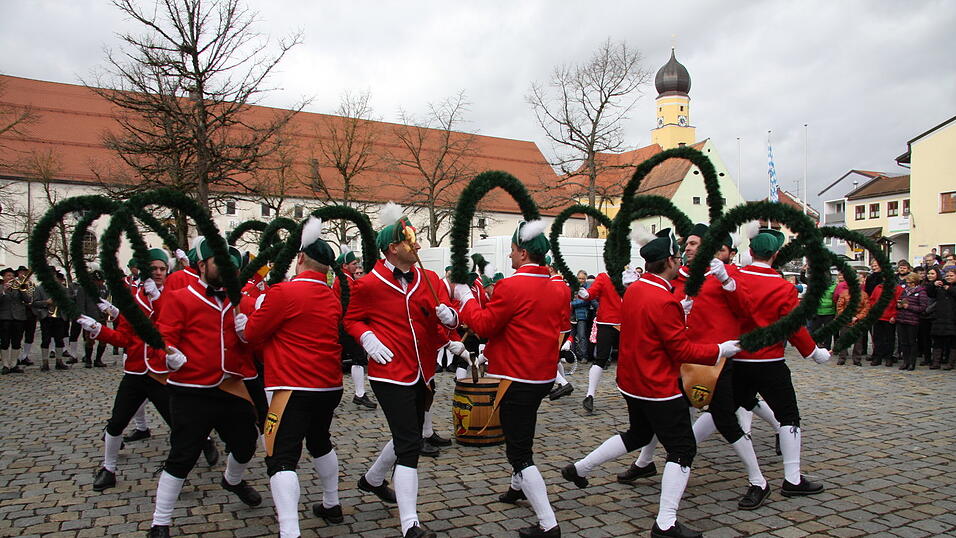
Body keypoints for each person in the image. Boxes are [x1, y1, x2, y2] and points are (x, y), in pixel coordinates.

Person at [561, 229, 741, 538]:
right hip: (657, 385)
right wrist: (719, 350)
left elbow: (649, 326)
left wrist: (678, 311)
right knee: (683, 449)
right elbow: (681, 350)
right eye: (678, 258)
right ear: (670, 262)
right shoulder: (663, 297)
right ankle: (665, 522)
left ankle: (581, 467)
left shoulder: (636, 289)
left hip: (631, 381)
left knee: (638, 434)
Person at [344, 204, 458, 538]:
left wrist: (449, 319)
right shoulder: (367, 284)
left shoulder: (429, 278)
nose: (418, 246)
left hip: (423, 370)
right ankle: (411, 524)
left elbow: (435, 317)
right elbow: (351, 319)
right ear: (394, 247)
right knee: (409, 444)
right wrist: (367, 337)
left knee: (404, 432)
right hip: (389, 372)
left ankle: (372, 480)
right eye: (412, 240)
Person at [454, 220, 568, 538]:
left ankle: (548, 523)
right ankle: (517, 487)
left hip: (515, 377)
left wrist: (466, 299)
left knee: (518, 451)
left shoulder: (512, 286)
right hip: (541, 376)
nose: (510, 257)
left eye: (514, 251)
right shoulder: (559, 286)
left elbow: (485, 325)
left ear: (523, 251)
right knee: (523, 433)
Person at [235, 218, 345, 538]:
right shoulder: (331, 296)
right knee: (320, 441)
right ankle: (331, 502)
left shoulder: (284, 292)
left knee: (281, 456)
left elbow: (252, 335)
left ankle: (290, 530)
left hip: (292, 386)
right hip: (329, 386)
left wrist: (249, 315)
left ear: (299, 259)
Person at [147, 240, 261, 538]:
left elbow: (255, 346)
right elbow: (162, 338)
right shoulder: (180, 299)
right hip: (190, 389)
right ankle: (160, 521)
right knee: (183, 454)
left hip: (230, 387)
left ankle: (232, 481)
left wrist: (247, 334)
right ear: (201, 265)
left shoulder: (242, 302)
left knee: (247, 441)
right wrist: (169, 354)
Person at [731, 228, 830, 497]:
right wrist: (813, 352)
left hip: (736, 357)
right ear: (775, 255)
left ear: (750, 252)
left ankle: (685, 447)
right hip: (770, 361)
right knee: (788, 416)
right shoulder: (782, 287)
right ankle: (792, 478)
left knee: (724, 410)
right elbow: (794, 327)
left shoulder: (734, 278)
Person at [76, 249, 175, 491]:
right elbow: (125, 338)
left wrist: (158, 299)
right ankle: (108, 468)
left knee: (180, 423)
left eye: (162, 269)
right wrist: (100, 330)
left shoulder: (175, 295)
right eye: (154, 269)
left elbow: (168, 327)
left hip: (162, 372)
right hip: (135, 372)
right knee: (116, 422)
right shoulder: (134, 300)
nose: (159, 273)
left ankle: (185, 461)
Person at [575, 267, 625, 414]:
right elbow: (591, 294)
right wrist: (583, 293)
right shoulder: (603, 277)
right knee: (601, 359)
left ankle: (631, 392)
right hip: (606, 323)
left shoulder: (628, 277)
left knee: (628, 358)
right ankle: (590, 395)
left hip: (626, 323)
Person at [333, 247, 376, 409]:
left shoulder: (345, 279)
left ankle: (359, 393)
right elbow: (354, 302)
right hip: (346, 324)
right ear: (344, 266)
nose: (356, 266)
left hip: (343, 323)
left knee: (353, 358)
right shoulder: (345, 281)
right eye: (353, 263)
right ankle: (359, 394)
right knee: (358, 358)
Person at [30, 270, 72, 371]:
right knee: (46, 340)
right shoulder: (40, 288)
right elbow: (34, 303)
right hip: (46, 317)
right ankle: (45, 362)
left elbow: (69, 301)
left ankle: (59, 361)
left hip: (59, 316)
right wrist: (46, 302)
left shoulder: (62, 288)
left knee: (59, 339)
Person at [867, 261, 902, 367]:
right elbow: (872, 301)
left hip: (889, 317)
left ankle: (888, 358)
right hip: (878, 317)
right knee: (877, 338)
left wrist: (894, 316)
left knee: (889, 339)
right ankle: (877, 357)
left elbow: (898, 304)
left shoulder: (897, 289)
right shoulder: (878, 288)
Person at [74, 270, 110, 368]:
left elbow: (105, 300)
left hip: (101, 317)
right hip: (89, 318)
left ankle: (98, 360)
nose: (101, 283)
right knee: (90, 341)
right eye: (99, 281)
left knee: (104, 340)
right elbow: (81, 305)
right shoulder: (83, 289)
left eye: (102, 281)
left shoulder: (103, 288)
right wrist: (84, 319)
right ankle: (88, 359)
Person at [834, 270, 870, 366]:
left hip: (858, 321)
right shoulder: (844, 293)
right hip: (846, 320)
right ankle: (842, 357)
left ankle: (857, 359)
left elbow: (866, 308)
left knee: (858, 342)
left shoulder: (864, 295)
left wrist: (857, 317)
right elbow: (839, 306)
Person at [0, 267, 32, 373]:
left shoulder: (18, 287)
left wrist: (22, 289)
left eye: (13, 276)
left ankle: (14, 364)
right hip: (5, 317)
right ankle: (5, 365)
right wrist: (3, 290)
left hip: (19, 317)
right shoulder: (1, 287)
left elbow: (28, 300)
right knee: (4, 342)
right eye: (8, 276)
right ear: (3, 277)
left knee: (17, 342)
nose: (11, 278)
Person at [895, 272, 928, 371]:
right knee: (903, 342)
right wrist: (899, 305)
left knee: (912, 342)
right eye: (907, 282)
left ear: (915, 282)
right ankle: (905, 361)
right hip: (902, 318)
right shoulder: (905, 291)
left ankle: (912, 362)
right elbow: (900, 299)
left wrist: (908, 307)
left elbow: (922, 307)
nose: (908, 284)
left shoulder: (921, 292)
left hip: (913, 320)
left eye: (910, 283)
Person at [926, 267, 956, 370]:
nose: (949, 278)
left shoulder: (951, 287)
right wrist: (933, 284)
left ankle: (950, 363)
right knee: (937, 341)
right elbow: (929, 293)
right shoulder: (941, 286)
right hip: (939, 317)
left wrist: (950, 289)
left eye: (951, 276)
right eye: (947, 276)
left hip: (953, 318)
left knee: (953, 342)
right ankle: (936, 362)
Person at [14, 266, 37, 366]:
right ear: (18, 273)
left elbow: (34, 297)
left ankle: (25, 356)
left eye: (25, 272)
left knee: (30, 334)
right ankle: (17, 356)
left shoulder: (31, 284)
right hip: (19, 311)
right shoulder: (14, 284)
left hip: (30, 311)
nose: (23, 274)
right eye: (21, 272)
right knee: (18, 334)